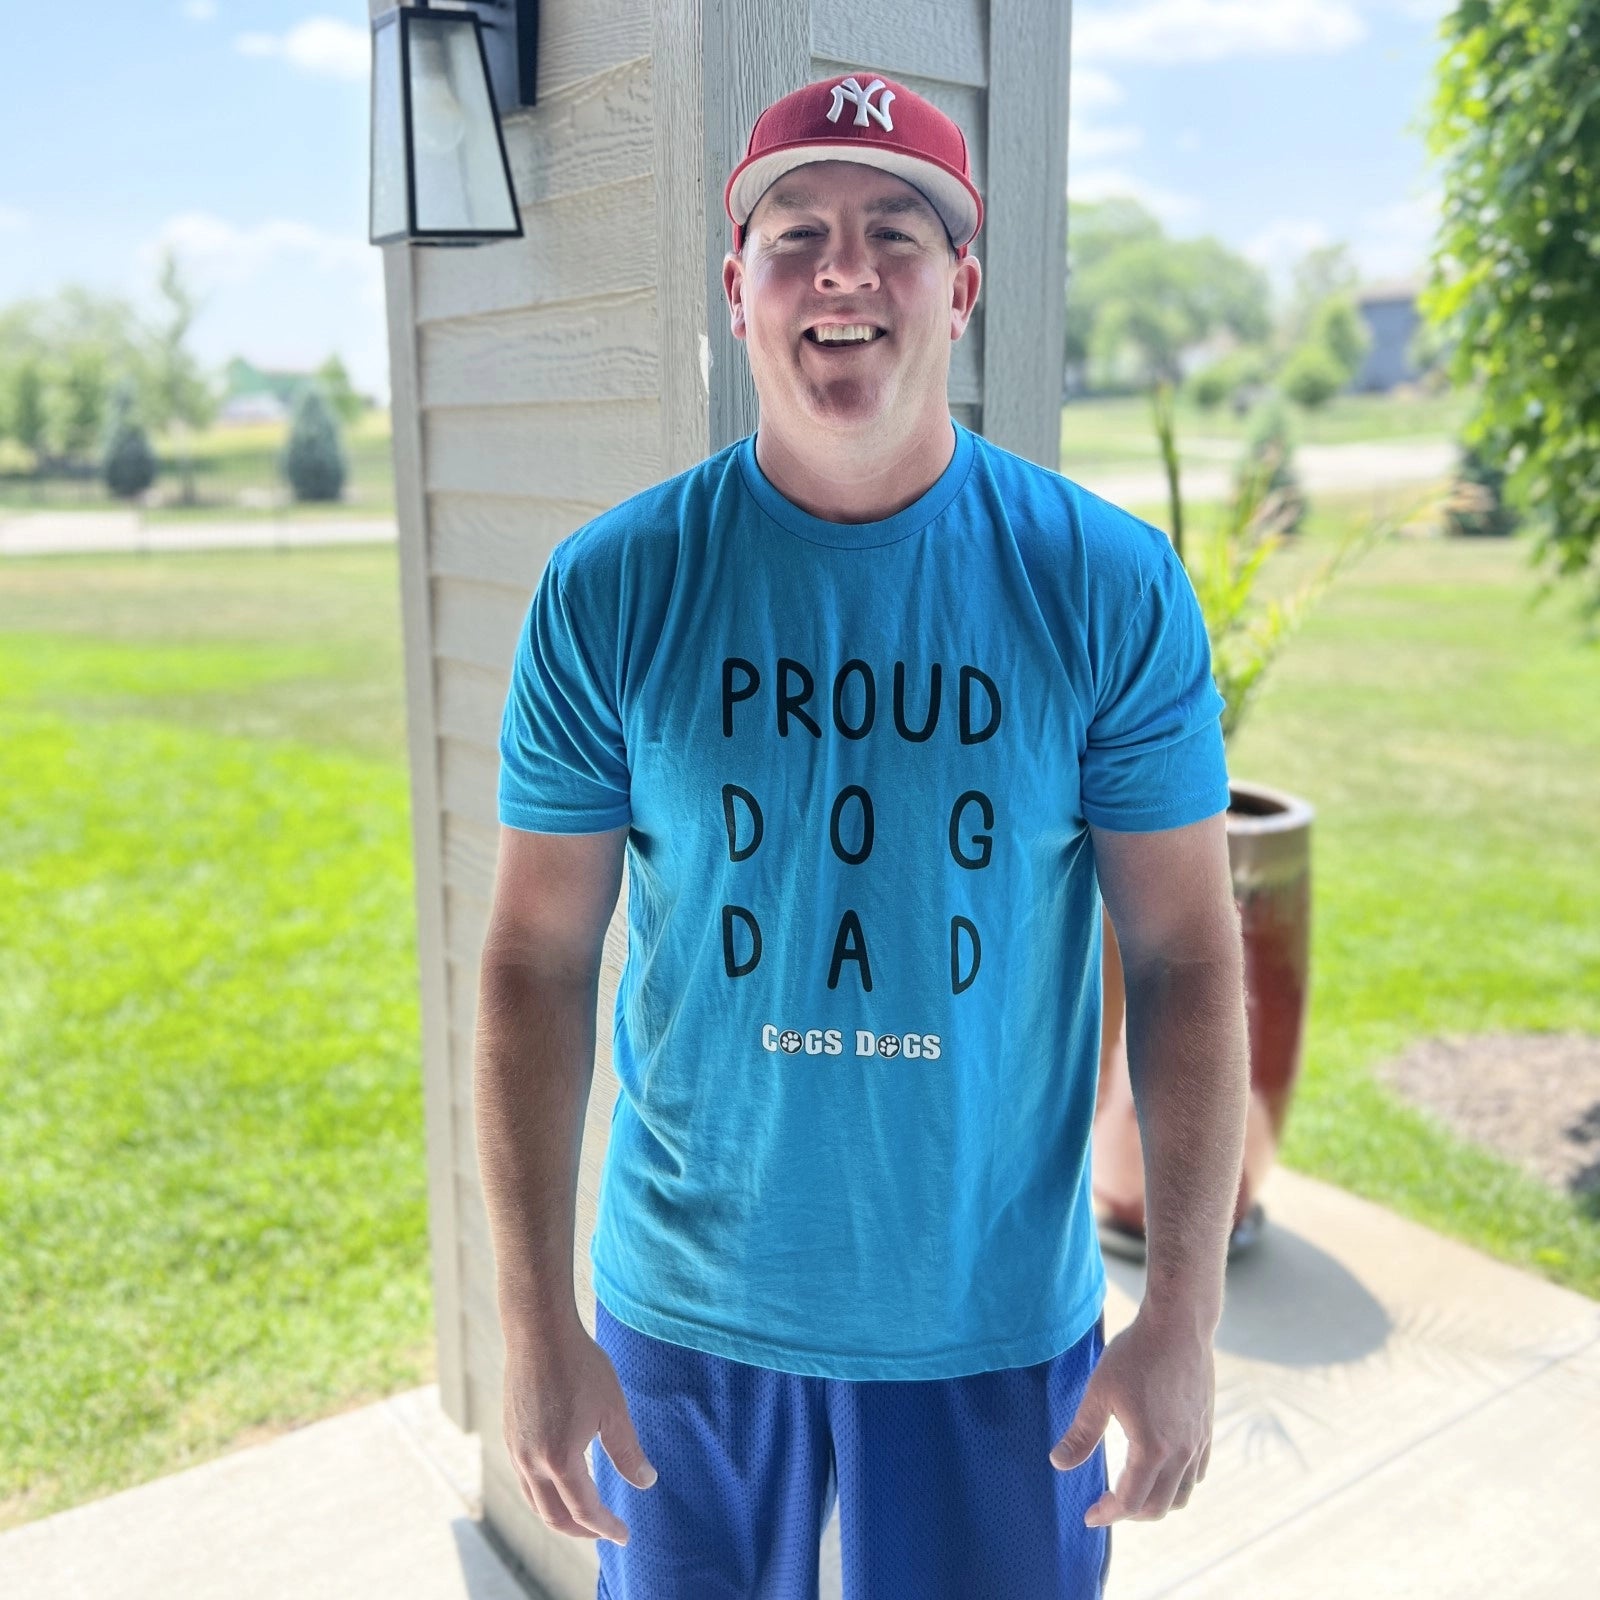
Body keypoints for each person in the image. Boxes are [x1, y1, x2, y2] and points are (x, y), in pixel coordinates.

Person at [477, 69, 1250, 1600]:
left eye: (897, 231)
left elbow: (1184, 952)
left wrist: (1182, 1315)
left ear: (961, 290)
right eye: (797, 235)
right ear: (736, 292)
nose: (844, 270)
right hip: (684, 1314)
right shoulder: (611, 589)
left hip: (990, 1317)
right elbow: (534, 958)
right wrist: (534, 1324)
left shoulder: (1104, 584)